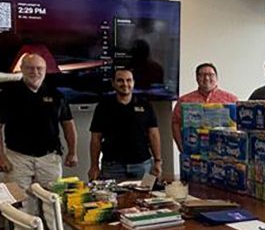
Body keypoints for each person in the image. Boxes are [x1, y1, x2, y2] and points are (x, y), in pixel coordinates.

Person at [0, 53, 77, 201]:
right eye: (30, 68)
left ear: (45, 70)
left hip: (49, 158)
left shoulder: (56, 95)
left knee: (53, 203)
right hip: (17, 158)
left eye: (39, 68)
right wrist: (1, 157)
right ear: (21, 69)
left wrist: (72, 152)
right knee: (19, 204)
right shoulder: (7, 94)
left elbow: (68, 123)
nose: (35, 72)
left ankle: (51, 226)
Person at [89, 69, 161, 181]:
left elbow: (154, 135)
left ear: (133, 82)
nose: (125, 84)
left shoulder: (145, 105)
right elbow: (96, 138)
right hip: (112, 166)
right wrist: (94, 166)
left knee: (145, 197)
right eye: (120, 81)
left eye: (129, 80)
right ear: (113, 83)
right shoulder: (103, 107)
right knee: (113, 198)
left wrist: (157, 161)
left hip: (142, 165)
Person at [172, 63, 238, 150]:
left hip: (223, 152)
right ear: (196, 78)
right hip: (194, 151)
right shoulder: (184, 101)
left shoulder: (232, 100)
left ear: (216, 78)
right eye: (202, 75)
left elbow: (241, 126)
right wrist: (180, 146)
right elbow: (175, 123)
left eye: (210, 75)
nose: (206, 78)